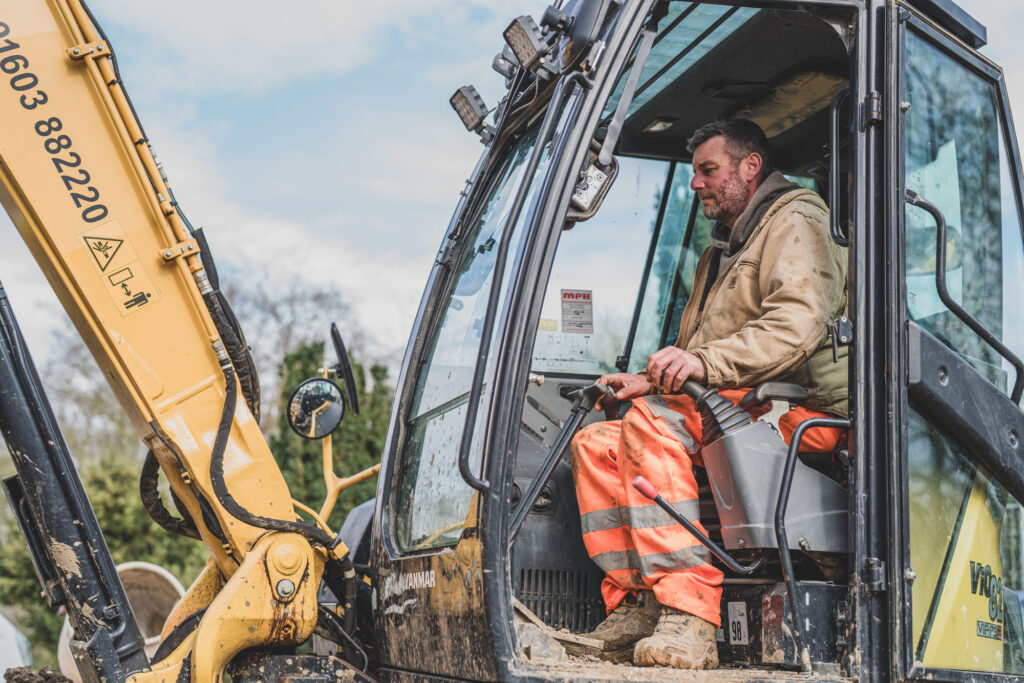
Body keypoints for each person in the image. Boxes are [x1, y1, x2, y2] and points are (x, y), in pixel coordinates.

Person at [570, 119, 848, 669]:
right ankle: (643, 602)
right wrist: (649, 379)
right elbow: (698, 349)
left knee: (651, 423)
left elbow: (797, 325)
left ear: (751, 167)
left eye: (708, 170)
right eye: (694, 172)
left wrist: (698, 365)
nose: (695, 183)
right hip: (738, 398)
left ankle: (690, 615)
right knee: (598, 443)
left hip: (798, 406)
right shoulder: (722, 250)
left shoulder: (797, 220)